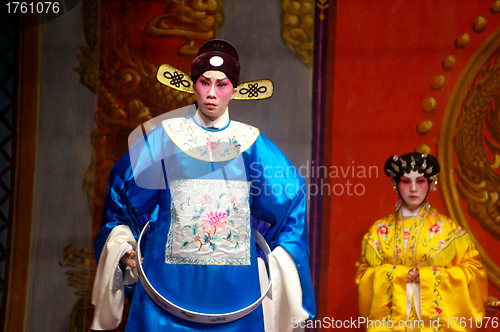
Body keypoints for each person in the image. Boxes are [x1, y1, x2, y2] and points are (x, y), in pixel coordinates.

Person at [90, 39, 315, 331]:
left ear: (235, 91)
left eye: (222, 85)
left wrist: (280, 258)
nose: (211, 93)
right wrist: (125, 245)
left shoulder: (251, 144)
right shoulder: (164, 138)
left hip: (236, 299)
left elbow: (290, 201)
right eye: (204, 82)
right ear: (191, 84)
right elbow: (122, 193)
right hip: (165, 294)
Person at [356, 152, 488, 331]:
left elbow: (474, 272)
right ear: (396, 183)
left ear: (431, 183)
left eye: (420, 181)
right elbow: (363, 276)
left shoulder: (448, 230)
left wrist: (427, 277)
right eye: (405, 181)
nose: (412, 189)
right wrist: (399, 276)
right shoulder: (379, 232)